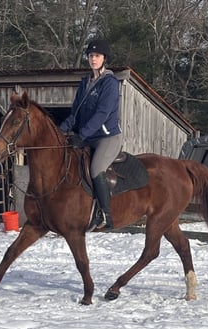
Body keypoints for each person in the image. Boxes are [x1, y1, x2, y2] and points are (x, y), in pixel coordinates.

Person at [60, 38, 123, 230]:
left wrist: (82, 134)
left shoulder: (110, 83)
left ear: (104, 59)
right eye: (91, 56)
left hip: (107, 137)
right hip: (88, 136)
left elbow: (102, 114)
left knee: (96, 168)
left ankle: (106, 214)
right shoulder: (85, 83)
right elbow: (76, 113)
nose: (93, 59)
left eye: (97, 56)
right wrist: (60, 131)